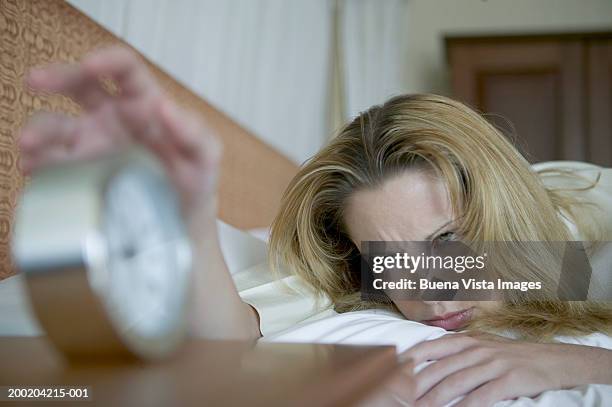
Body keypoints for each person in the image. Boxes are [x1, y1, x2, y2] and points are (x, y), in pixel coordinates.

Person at [19, 47, 612, 406]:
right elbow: (234, 340)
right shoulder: (352, 281)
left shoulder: (585, 212)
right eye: (389, 260)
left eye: (447, 242)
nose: (431, 291)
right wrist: (195, 210)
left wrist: (578, 363)